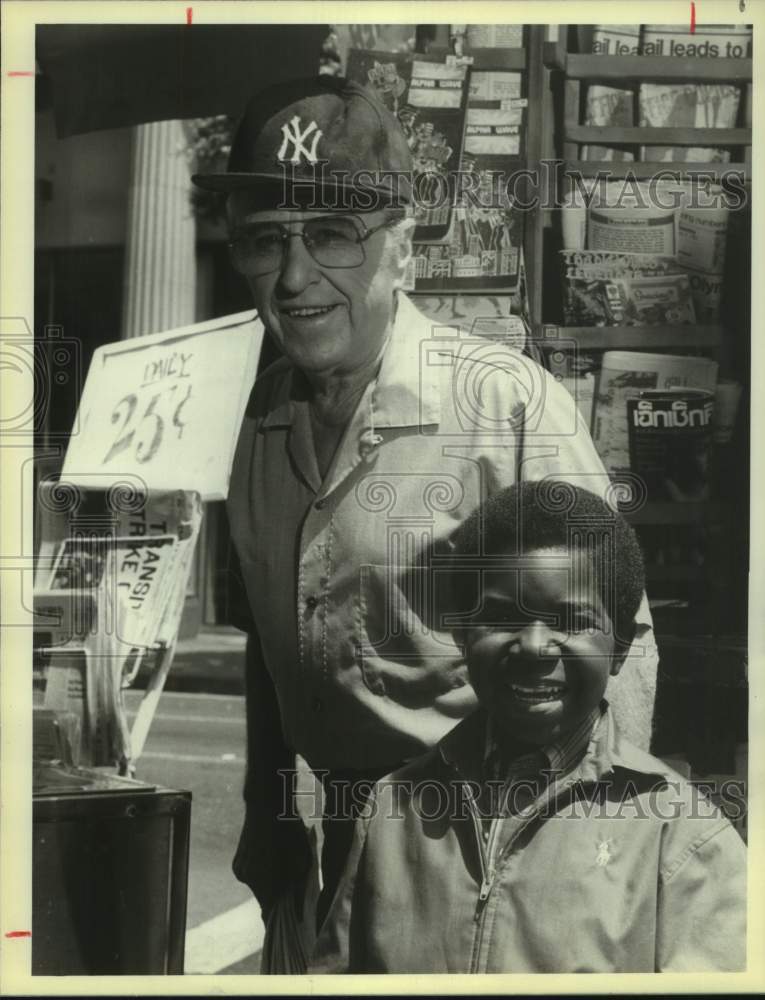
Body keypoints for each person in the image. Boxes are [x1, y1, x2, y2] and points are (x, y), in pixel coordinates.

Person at [192, 75, 659, 967]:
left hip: (490, 851)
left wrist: (597, 860)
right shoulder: (257, 423)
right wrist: (263, 809)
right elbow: (268, 629)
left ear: (400, 249)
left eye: (332, 236)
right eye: (264, 243)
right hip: (328, 853)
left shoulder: (502, 407)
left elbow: (619, 640)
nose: (294, 279)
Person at [310, 482, 746, 973]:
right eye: (499, 616)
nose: (535, 647)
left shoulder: (680, 835)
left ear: (620, 646)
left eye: (572, 621)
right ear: (462, 632)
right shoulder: (394, 808)